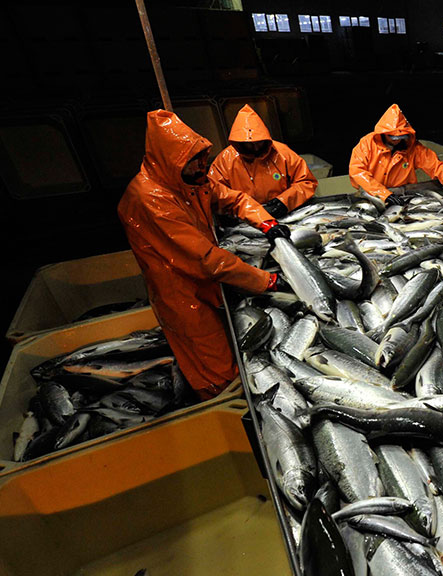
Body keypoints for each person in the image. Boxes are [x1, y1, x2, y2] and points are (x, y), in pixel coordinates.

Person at [118, 110, 291, 400]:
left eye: (203, 157)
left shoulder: (190, 180)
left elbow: (232, 199)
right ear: (172, 161)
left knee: (230, 344)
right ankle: (228, 412)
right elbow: (207, 259)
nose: (204, 166)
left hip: (209, 279)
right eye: (194, 160)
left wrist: (266, 222)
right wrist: (267, 281)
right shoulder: (150, 199)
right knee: (216, 368)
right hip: (180, 291)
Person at [210, 104, 318, 218]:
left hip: (285, 214)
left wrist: (284, 202)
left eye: (259, 142)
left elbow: (307, 182)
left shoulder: (283, 153)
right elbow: (215, 193)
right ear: (239, 143)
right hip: (244, 219)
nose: (256, 148)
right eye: (249, 145)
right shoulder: (224, 160)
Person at [349, 103, 443, 207]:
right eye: (392, 137)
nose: (396, 141)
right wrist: (383, 194)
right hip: (371, 195)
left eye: (400, 138)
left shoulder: (414, 148)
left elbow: (438, 168)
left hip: (403, 195)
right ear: (383, 133)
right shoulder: (366, 144)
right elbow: (357, 172)